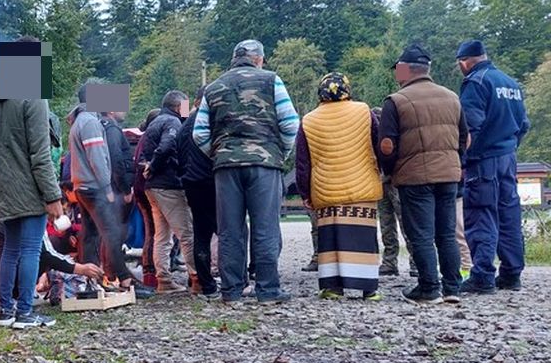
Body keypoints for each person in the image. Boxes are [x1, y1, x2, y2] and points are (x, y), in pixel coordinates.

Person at [194, 39, 300, 304]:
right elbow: (290, 123)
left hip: (226, 167)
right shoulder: (271, 80)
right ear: (259, 59)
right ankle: (268, 290)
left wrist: (219, 155)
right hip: (265, 164)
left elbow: (199, 133)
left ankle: (231, 290)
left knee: (230, 230)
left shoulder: (213, 87)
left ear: (234, 58)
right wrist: (279, 154)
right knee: (265, 227)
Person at [379, 43, 469, 305]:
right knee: (446, 233)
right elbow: (465, 138)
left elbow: (387, 145)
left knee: (421, 234)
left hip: (414, 177)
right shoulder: (452, 97)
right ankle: (452, 287)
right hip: (448, 174)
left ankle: (429, 288)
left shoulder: (396, 101)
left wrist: (390, 172)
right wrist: (455, 162)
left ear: (404, 70)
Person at [0, 48, 64, 329]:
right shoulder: (34, 96)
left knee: (11, 249)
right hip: (29, 188)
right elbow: (41, 155)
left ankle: (6, 311)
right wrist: (53, 196)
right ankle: (26, 313)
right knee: (31, 249)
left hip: (4, 188)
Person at [296, 73, 383, 300]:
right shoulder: (364, 111)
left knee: (331, 240)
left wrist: (305, 193)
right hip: (362, 186)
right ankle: (369, 289)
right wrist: (383, 171)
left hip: (327, 189)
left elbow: (303, 163)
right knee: (364, 239)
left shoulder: (309, 120)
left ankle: (332, 288)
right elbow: (378, 144)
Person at [456, 40, 530, 294]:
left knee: (481, 213)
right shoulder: (511, 83)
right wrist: (510, 146)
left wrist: (462, 160)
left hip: (483, 160)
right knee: (509, 215)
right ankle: (511, 274)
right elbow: (524, 124)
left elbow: (470, 127)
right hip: (508, 158)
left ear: (465, 61)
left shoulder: (476, 82)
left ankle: (482, 275)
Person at [69, 83, 151, 296]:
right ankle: (124, 279)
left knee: (90, 235)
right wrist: (107, 188)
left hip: (82, 185)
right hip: (95, 187)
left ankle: (91, 281)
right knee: (112, 233)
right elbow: (97, 157)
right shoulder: (90, 122)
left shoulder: (80, 120)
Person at [139, 90, 197, 293]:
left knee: (162, 236)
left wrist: (151, 167)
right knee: (186, 233)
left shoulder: (155, 121)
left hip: (153, 187)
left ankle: (163, 279)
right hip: (168, 184)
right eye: (185, 106)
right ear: (178, 106)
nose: (187, 110)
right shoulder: (173, 122)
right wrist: (154, 166)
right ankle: (197, 278)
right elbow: (167, 146)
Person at [176, 85, 218, 298]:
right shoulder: (210, 120)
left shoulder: (184, 125)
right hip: (211, 181)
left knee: (200, 233)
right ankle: (236, 280)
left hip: (190, 182)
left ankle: (205, 283)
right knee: (229, 230)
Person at [100, 107, 136, 277]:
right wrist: (125, 188)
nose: (125, 111)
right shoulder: (112, 128)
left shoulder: (101, 125)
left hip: (108, 187)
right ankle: (115, 275)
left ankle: (110, 273)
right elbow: (115, 158)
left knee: (108, 233)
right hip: (116, 189)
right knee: (115, 233)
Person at [132, 108, 161, 287]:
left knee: (154, 230)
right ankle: (150, 273)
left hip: (141, 188)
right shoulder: (151, 138)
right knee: (154, 230)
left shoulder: (144, 138)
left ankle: (152, 271)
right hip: (146, 188)